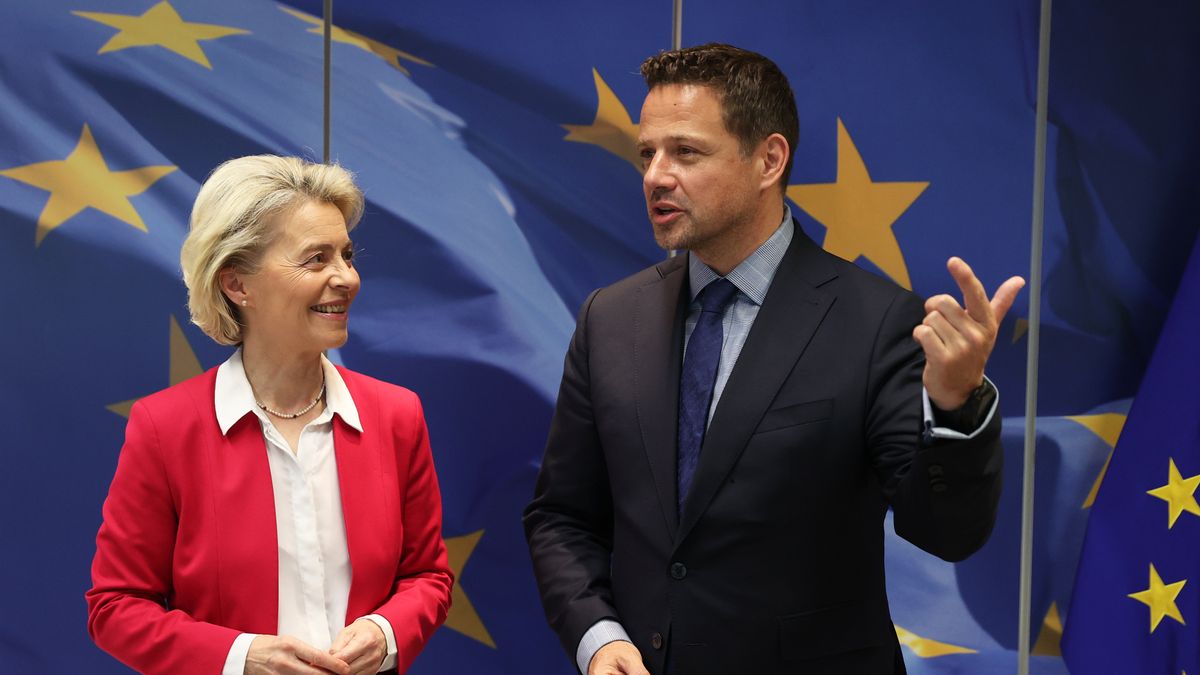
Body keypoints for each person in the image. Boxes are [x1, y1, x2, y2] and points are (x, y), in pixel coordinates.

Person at [523, 44, 1025, 675]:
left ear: (769, 159)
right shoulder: (609, 318)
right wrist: (598, 636)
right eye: (646, 153)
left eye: (686, 152)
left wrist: (954, 406)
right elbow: (563, 517)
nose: (655, 175)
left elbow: (945, 531)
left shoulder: (877, 321)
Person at [87, 156, 453, 675]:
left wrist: (386, 631)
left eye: (347, 255)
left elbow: (428, 577)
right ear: (237, 285)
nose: (346, 277)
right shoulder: (164, 428)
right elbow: (116, 607)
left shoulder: (396, 414)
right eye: (316, 259)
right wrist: (240, 658)